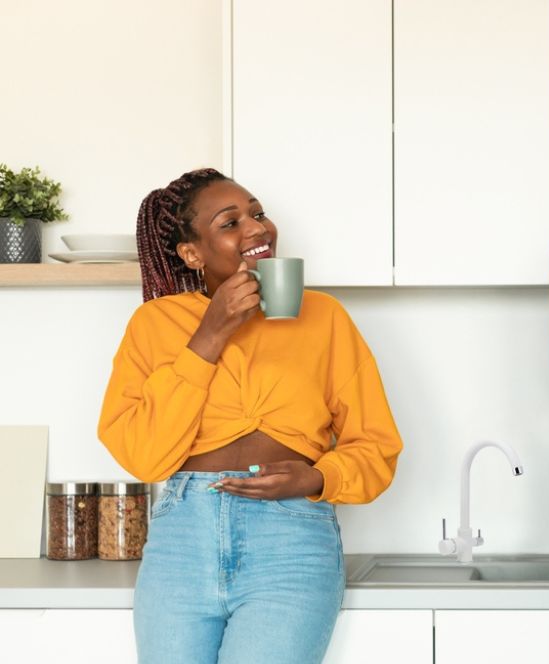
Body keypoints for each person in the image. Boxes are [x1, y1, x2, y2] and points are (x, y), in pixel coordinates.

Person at [98, 168, 403, 664]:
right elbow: (142, 456)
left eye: (258, 213)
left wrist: (316, 477)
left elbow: (377, 446)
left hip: (291, 541)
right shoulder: (155, 324)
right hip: (182, 541)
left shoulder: (323, 317)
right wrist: (209, 335)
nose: (257, 227)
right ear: (192, 254)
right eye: (231, 222)